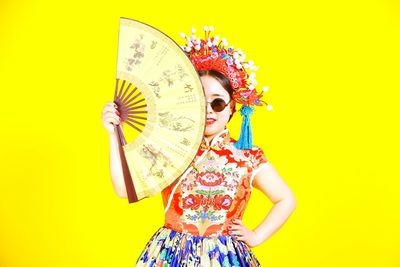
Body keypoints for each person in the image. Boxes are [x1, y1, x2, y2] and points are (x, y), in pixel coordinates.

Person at [101, 26, 296, 266]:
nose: (208, 111)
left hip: (226, 258)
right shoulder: (172, 149)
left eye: (217, 103)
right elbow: (123, 189)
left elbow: (286, 199)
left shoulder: (247, 156)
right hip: (172, 255)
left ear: (233, 107)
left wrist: (256, 236)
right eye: (200, 102)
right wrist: (113, 135)